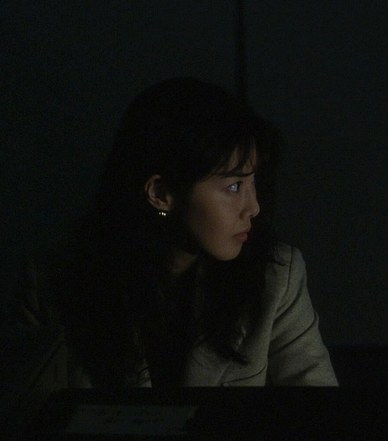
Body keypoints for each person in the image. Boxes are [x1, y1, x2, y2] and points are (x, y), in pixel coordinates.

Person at [49, 77, 337, 387]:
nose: (254, 207)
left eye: (253, 181)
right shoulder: (57, 282)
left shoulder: (275, 276)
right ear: (161, 193)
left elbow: (317, 403)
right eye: (234, 186)